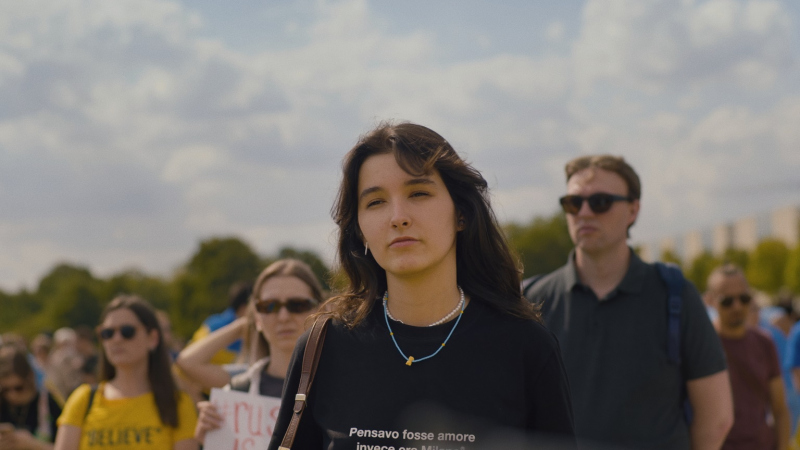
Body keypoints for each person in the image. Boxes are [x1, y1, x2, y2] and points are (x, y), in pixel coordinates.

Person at [268, 122, 576, 450]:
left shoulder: (525, 347)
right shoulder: (323, 348)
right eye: (375, 202)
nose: (398, 217)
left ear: (461, 213)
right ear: (358, 229)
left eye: (418, 193)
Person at [525, 154, 733, 449]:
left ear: (633, 209)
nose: (584, 212)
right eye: (573, 203)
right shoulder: (532, 301)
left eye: (600, 202)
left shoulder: (675, 295)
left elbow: (717, 418)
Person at [175, 259, 323, 443]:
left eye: (298, 305)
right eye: (269, 306)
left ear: (320, 310)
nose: (284, 316)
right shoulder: (239, 388)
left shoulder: (344, 385)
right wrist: (215, 440)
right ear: (257, 316)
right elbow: (186, 362)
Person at [54, 295, 198, 450]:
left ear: (153, 338)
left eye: (127, 331)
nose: (116, 339)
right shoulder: (82, 399)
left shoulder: (178, 404)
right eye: (107, 333)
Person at [704, 264, 789, 450]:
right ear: (710, 301)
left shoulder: (764, 342)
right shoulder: (701, 345)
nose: (737, 306)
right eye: (727, 300)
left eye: (744, 298)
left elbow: (780, 409)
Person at [0, 344, 63, 450]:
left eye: (18, 388)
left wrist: (35, 445)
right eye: (5, 389)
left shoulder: (50, 402)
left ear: (30, 377)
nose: (12, 394)